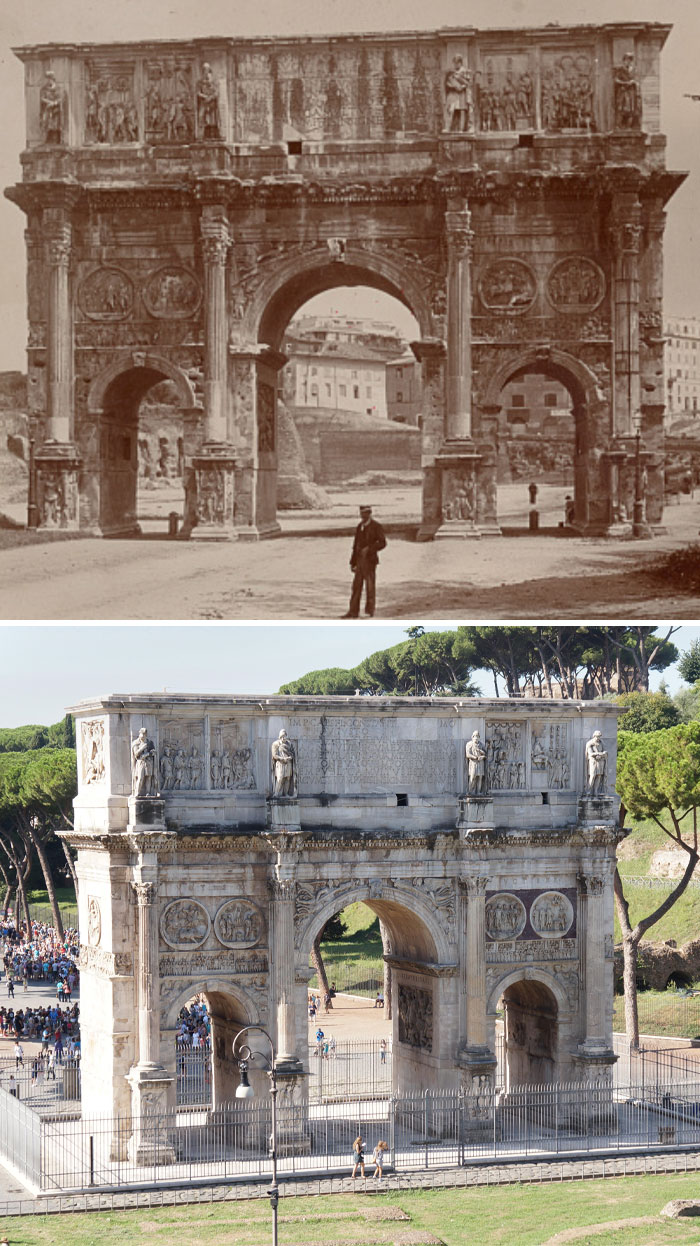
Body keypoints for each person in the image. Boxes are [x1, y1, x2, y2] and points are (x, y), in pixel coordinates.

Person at [343, 505, 386, 619]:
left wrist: (369, 549)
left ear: (369, 513)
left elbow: (382, 543)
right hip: (359, 560)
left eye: (365, 513)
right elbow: (355, 545)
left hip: (370, 561)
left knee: (370, 586)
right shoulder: (359, 526)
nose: (362, 516)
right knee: (356, 587)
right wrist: (352, 562)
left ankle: (369, 611)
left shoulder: (377, 526)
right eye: (361, 513)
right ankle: (353, 611)